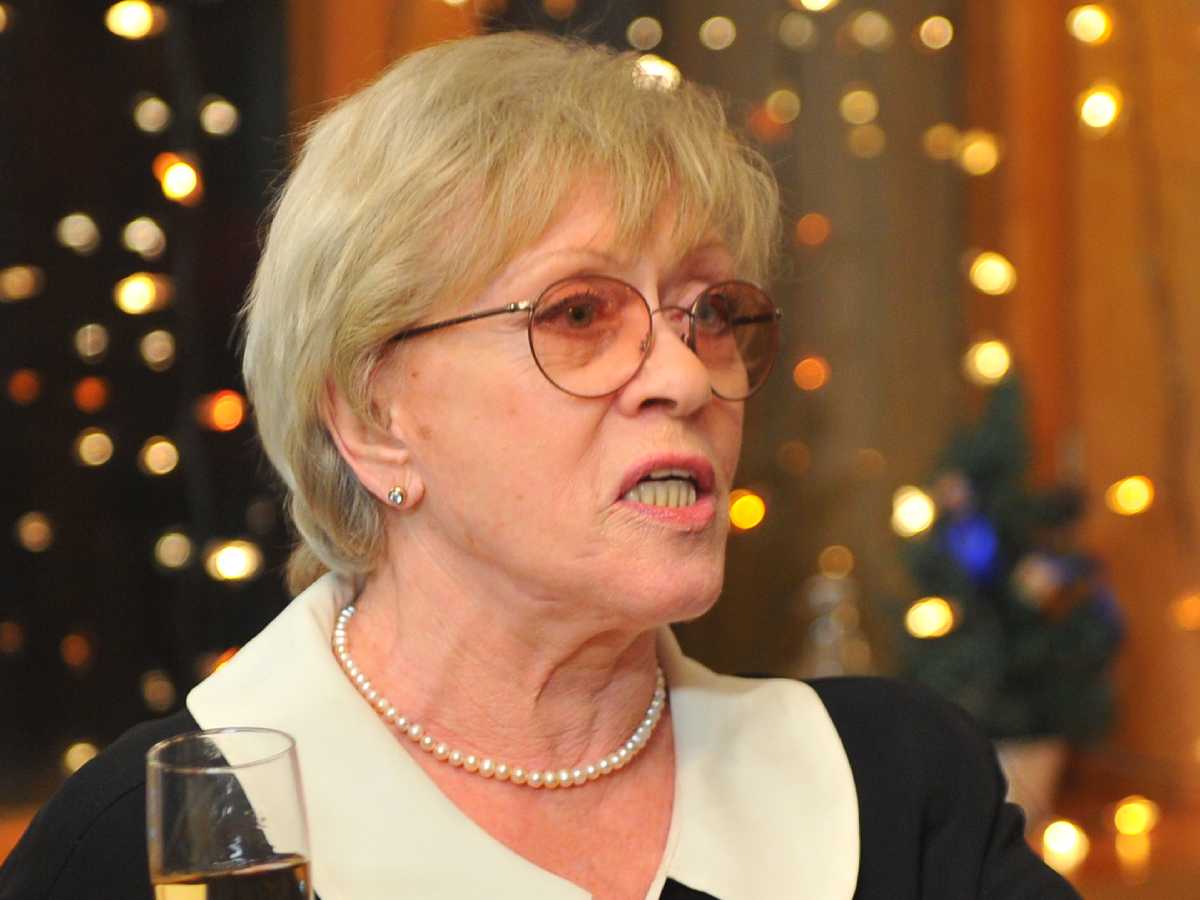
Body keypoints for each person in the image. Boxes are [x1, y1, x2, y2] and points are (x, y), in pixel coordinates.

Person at [0, 31, 1079, 900]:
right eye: (577, 314)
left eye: (711, 312)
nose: (686, 377)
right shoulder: (155, 843)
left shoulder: (894, 794)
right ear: (373, 420)